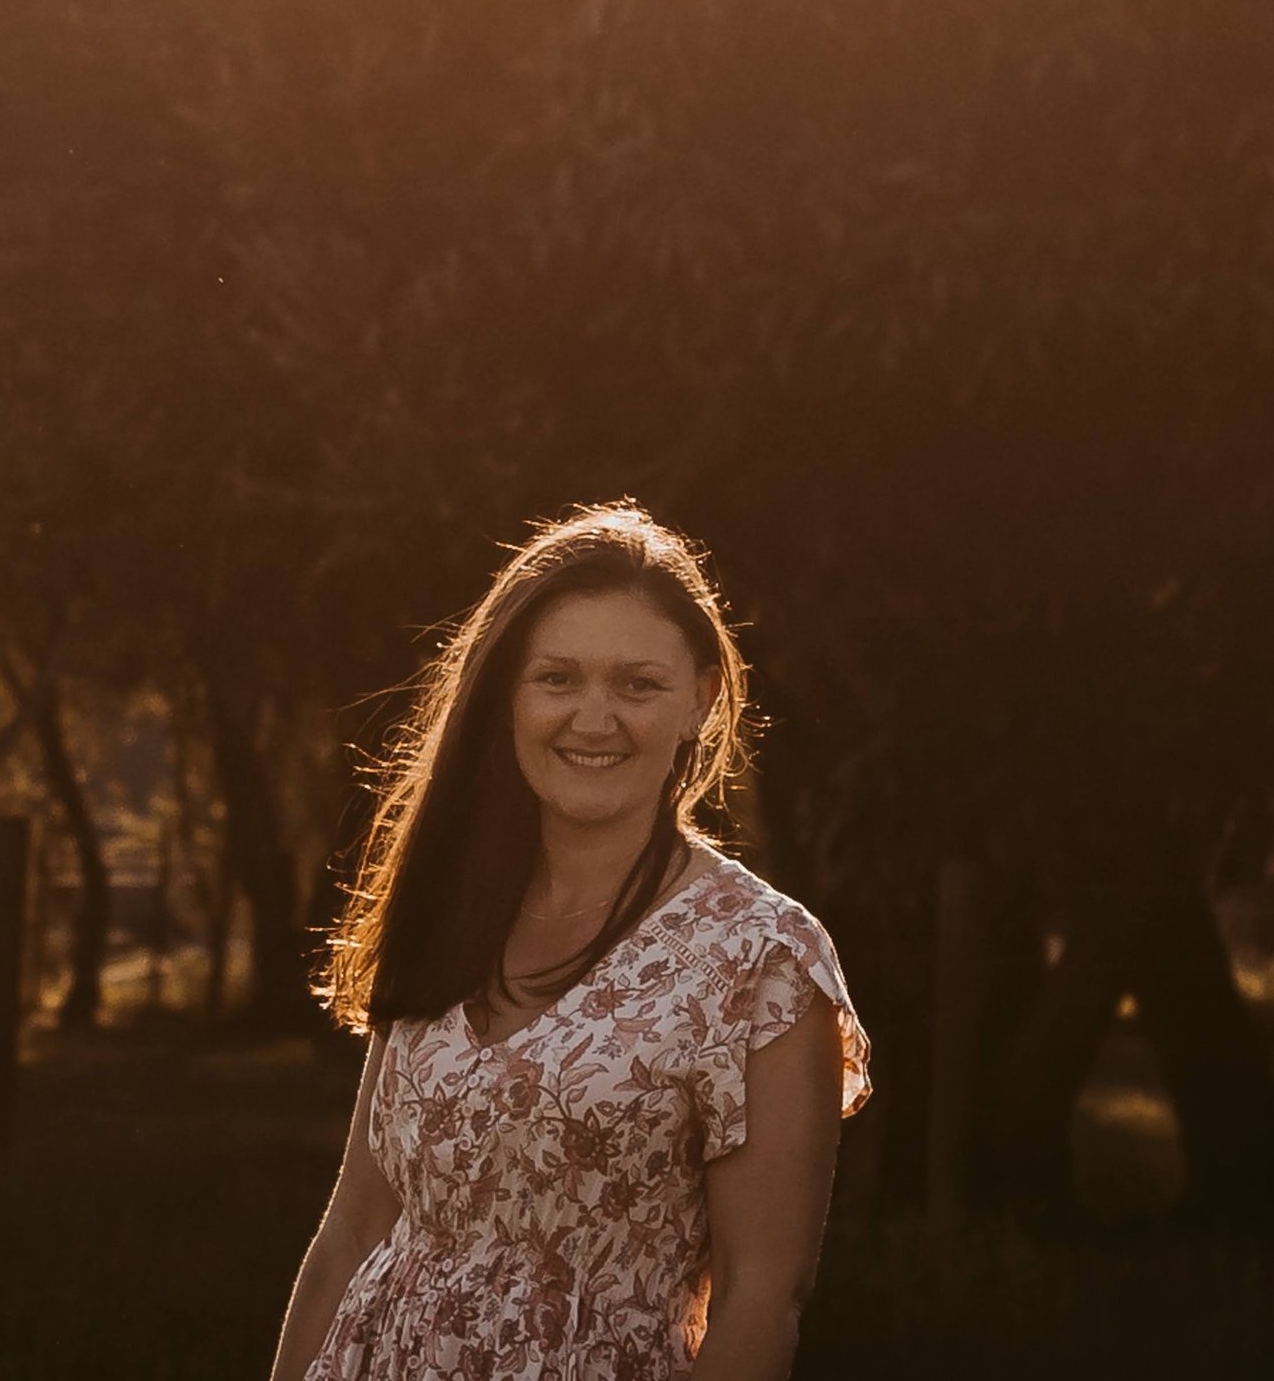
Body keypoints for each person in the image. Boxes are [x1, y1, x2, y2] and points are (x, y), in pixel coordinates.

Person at [270, 504, 874, 1381]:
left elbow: (763, 1294)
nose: (595, 718)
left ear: (699, 700)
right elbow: (354, 1228)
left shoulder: (762, 959)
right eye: (557, 679)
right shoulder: (453, 907)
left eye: (638, 685)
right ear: (509, 693)